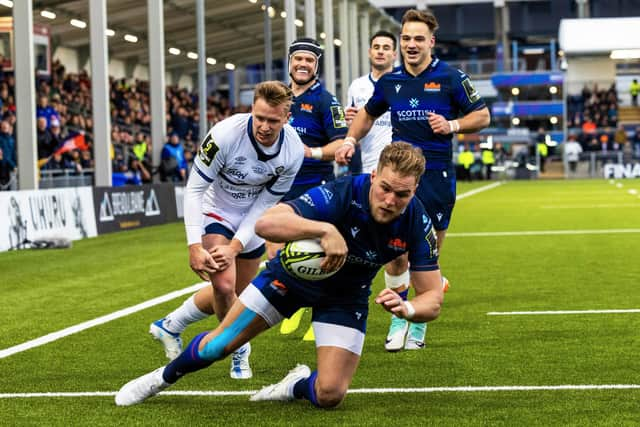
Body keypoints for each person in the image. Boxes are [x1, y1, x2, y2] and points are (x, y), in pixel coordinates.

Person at [115, 142, 443, 408]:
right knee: (218, 347)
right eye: (385, 187)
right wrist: (324, 229)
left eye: (402, 194)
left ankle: (293, 386)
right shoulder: (343, 193)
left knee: (330, 394)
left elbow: (432, 298)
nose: (390, 200)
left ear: (415, 191)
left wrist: (408, 309)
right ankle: (161, 378)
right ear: (373, 176)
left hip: (345, 297)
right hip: (287, 280)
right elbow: (267, 223)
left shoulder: (417, 222)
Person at [335, 9, 490, 351]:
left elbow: (482, 115)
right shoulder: (390, 81)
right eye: (406, 38)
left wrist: (452, 125)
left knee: (425, 259)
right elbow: (367, 114)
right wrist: (349, 140)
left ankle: (418, 325)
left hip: (436, 178)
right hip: (398, 179)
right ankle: (396, 319)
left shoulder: (451, 77)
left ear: (431, 42)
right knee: (395, 255)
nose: (411, 44)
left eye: (418, 38)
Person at [147, 81, 304, 380]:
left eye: (273, 120)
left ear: (286, 118)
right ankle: (238, 348)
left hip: (252, 218)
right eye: (259, 117)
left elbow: (265, 204)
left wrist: (235, 246)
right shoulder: (224, 134)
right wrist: (194, 245)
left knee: (240, 295)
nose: (264, 126)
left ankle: (170, 324)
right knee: (222, 286)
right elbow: (194, 190)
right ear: (252, 110)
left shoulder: (293, 150)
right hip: (215, 210)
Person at [270, 37, 348, 340]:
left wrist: (311, 152)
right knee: (276, 251)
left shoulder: (325, 100)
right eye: (298, 59)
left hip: (314, 187)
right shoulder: (277, 95)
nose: (303, 64)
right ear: (289, 62)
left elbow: (341, 143)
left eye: (309, 61)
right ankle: (295, 305)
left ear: (317, 65)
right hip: (278, 187)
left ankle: (320, 312)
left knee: (318, 252)